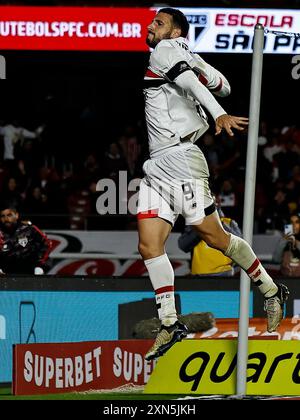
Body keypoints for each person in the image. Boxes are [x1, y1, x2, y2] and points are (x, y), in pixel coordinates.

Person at [136, 8, 289, 361]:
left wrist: (217, 111)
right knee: (148, 245)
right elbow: (225, 83)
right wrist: (198, 65)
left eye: (158, 23)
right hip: (158, 164)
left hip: (179, 157)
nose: (150, 26)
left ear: (175, 31)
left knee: (212, 235)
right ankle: (170, 323)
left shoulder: (164, 51)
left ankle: (269, 288)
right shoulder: (183, 55)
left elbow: (197, 85)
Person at [178, 206, 242, 276]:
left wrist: (219, 224)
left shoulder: (228, 222)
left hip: (224, 273)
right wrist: (201, 228)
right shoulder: (194, 224)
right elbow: (183, 246)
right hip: (199, 275)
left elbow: (239, 244)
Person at [0, 206, 51, 275]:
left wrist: (40, 265)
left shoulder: (30, 230)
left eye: (9, 215)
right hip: (7, 272)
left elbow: (47, 244)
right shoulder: (0, 233)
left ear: (16, 215)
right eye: (3, 216)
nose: (6, 219)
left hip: (30, 270)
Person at [273, 212, 300, 277]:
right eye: (291, 222)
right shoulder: (284, 240)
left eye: (297, 222)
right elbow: (276, 259)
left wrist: (297, 243)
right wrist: (283, 241)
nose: (293, 225)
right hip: (286, 277)